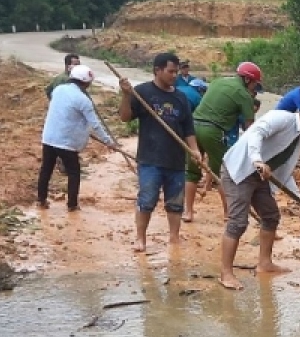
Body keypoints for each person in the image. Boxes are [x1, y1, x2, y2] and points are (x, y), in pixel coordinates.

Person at [218, 98, 300, 290]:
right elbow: (256, 133)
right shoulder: (281, 118)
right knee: (237, 222)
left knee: (271, 216)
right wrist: (257, 160)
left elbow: (285, 173)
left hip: (262, 176)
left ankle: (265, 263)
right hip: (240, 171)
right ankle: (226, 273)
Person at [117, 52, 200, 252]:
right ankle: (140, 239)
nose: (174, 75)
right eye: (171, 71)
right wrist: (126, 95)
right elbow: (125, 117)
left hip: (176, 160)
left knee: (175, 203)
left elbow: (188, 128)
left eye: (176, 71)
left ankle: (174, 238)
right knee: (147, 200)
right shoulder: (142, 92)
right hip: (150, 159)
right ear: (157, 70)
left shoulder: (180, 97)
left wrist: (195, 150)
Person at [184, 61, 260, 221]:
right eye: (255, 84)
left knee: (191, 172)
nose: (255, 88)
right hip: (213, 131)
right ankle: (229, 213)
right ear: (247, 80)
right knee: (223, 172)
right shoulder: (244, 95)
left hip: (192, 127)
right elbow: (250, 128)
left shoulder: (218, 82)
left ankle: (188, 212)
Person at [37, 64, 116, 210]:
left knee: (46, 168)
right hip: (66, 142)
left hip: (49, 137)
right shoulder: (83, 100)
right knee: (74, 172)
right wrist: (108, 142)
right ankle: (72, 204)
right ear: (86, 82)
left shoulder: (58, 89)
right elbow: (96, 124)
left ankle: (41, 200)